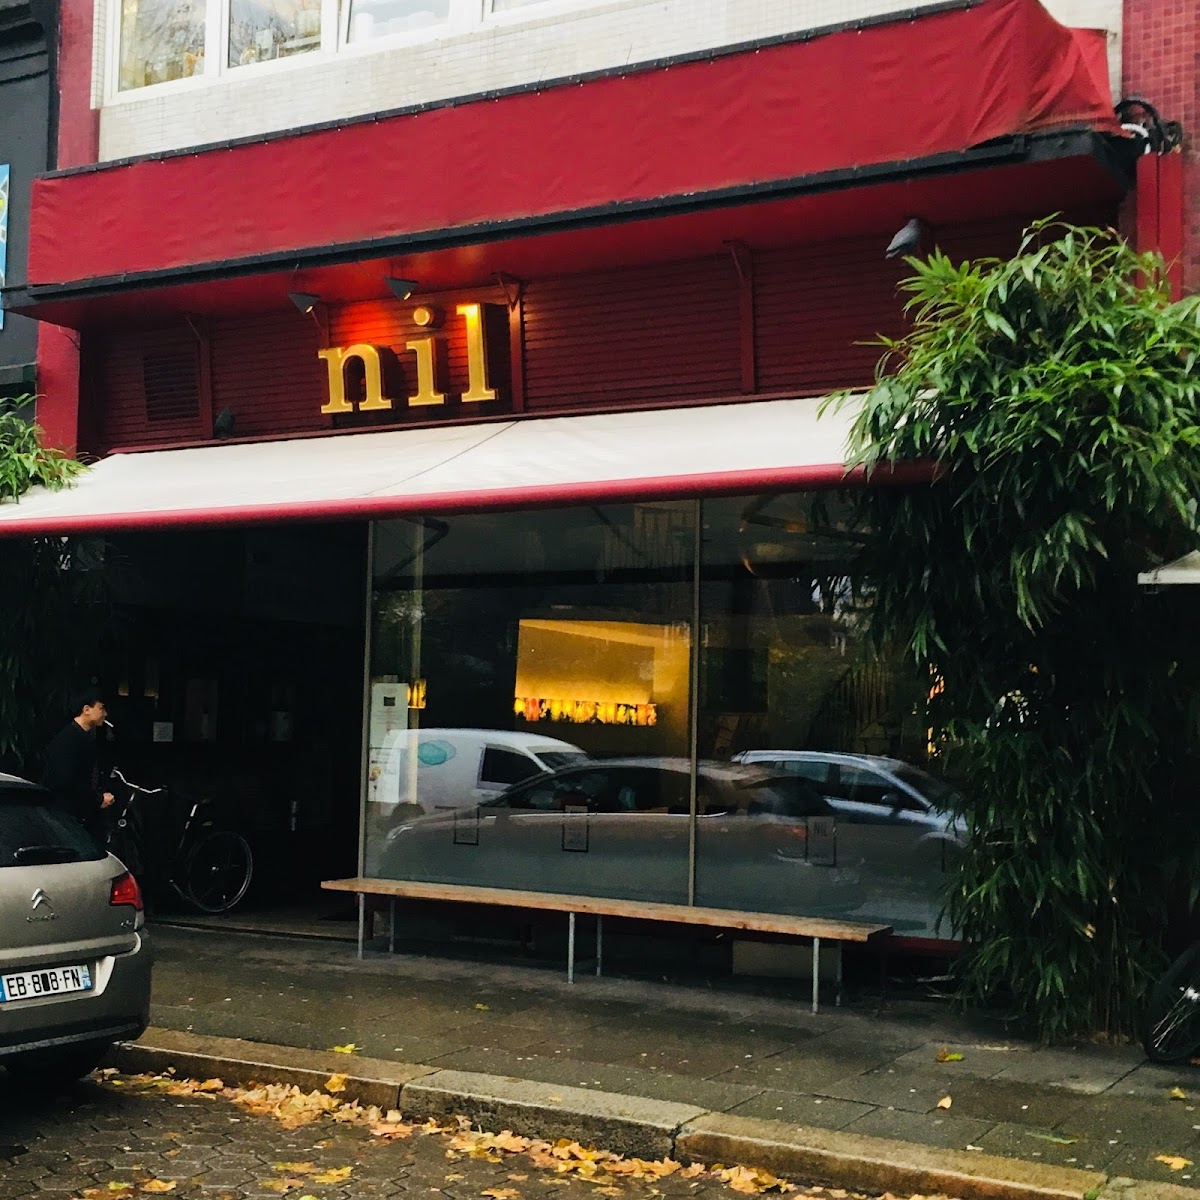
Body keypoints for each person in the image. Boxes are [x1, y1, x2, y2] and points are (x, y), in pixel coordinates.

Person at [41, 687, 115, 842]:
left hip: (78, 813)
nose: (105, 714)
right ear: (86, 709)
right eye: (101, 708)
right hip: (68, 816)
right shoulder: (68, 740)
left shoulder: (83, 738)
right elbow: (65, 781)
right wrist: (97, 799)